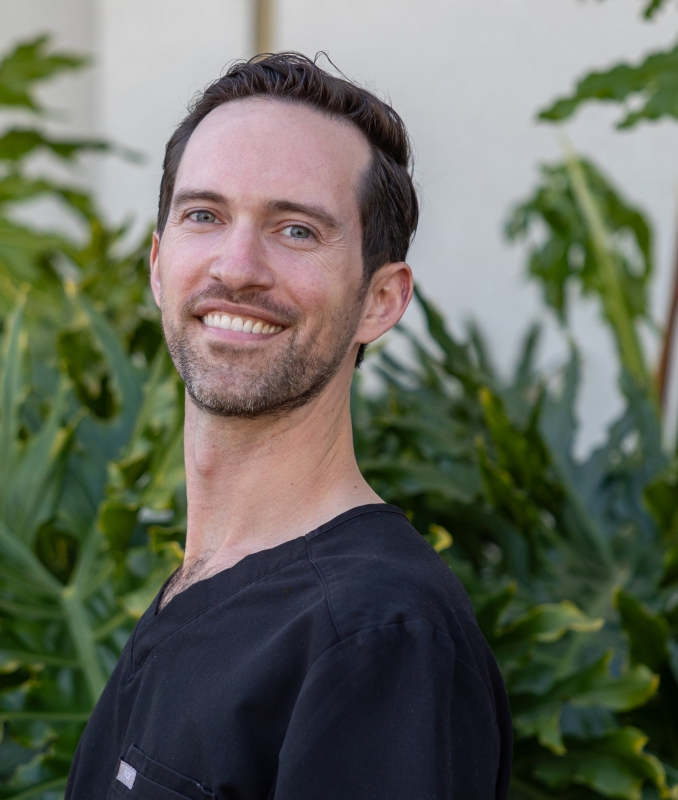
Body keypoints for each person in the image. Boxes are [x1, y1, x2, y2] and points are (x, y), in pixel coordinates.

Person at [66, 53, 512, 800]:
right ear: (156, 263)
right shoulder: (206, 585)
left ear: (381, 299)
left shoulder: (379, 639)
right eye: (203, 215)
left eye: (297, 229)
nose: (237, 267)